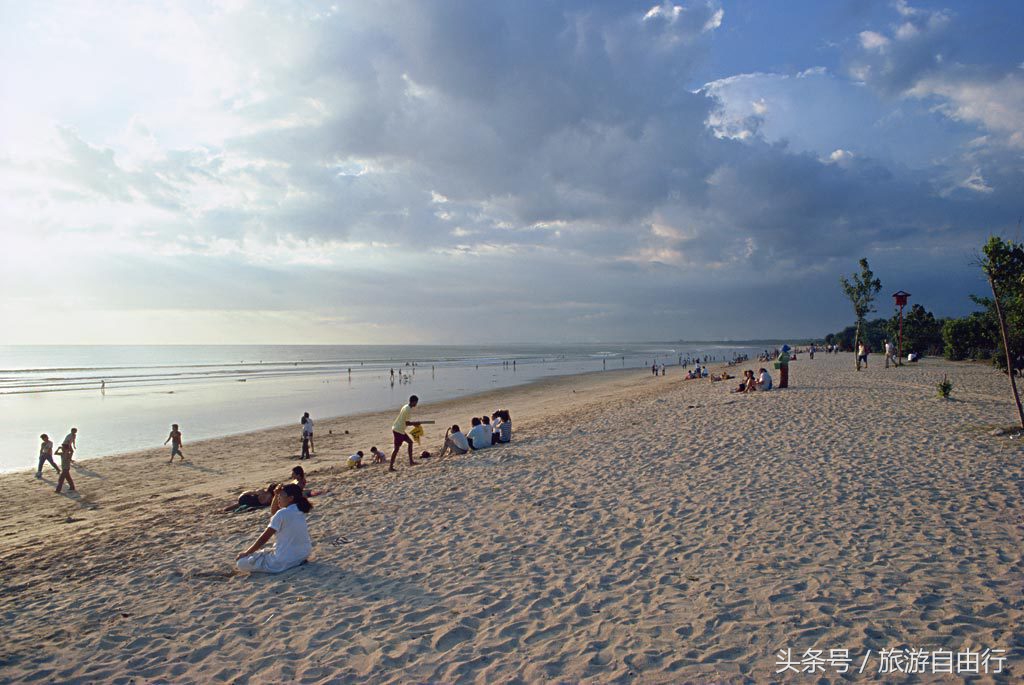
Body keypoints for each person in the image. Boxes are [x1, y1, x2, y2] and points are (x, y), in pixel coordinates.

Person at [235, 483, 313, 574]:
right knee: (263, 553)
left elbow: (264, 537)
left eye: (282, 495)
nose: (279, 497)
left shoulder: (283, 513)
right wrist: (276, 495)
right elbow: (274, 513)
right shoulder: (299, 510)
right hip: (303, 554)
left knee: (241, 562)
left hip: (284, 560)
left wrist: (247, 552)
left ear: (290, 498)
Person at [389, 395, 422, 471]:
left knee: (410, 443)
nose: (416, 404)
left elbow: (405, 422)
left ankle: (411, 461)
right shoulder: (408, 410)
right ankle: (390, 467)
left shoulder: (405, 406)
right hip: (398, 430)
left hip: (399, 429)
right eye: (416, 402)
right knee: (396, 449)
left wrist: (414, 423)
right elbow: (407, 423)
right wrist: (415, 424)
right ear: (413, 402)